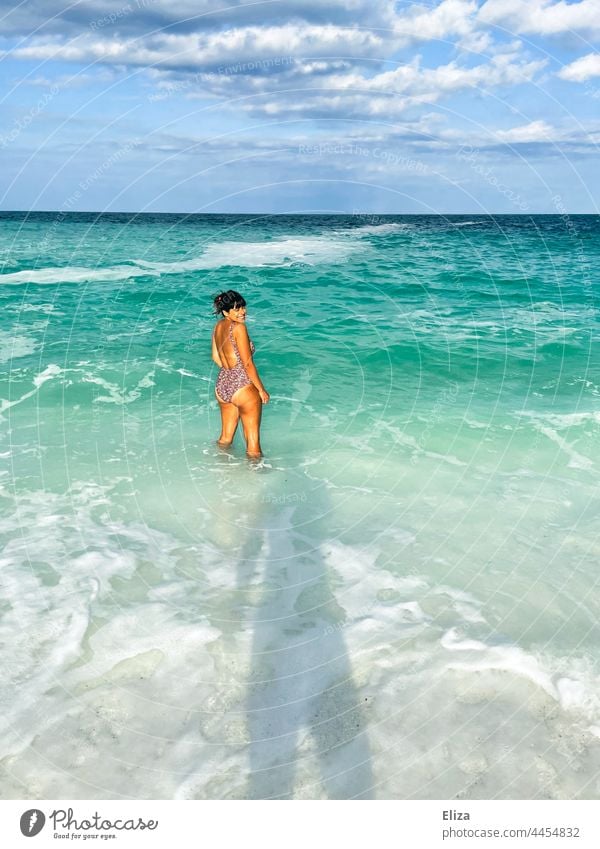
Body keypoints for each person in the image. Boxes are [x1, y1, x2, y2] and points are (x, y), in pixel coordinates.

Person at [212, 290, 269, 458]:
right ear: (226, 312)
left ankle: (218, 467)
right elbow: (247, 363)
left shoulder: (218, 326)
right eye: (237, 309)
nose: (242, 312)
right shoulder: (239, 328)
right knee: (253, 445)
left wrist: (230, 373)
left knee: (225, 439)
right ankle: (256, 478)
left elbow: (215, 357)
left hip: (222, 384)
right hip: (242, 385)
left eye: (243, 307)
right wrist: (261, 389)